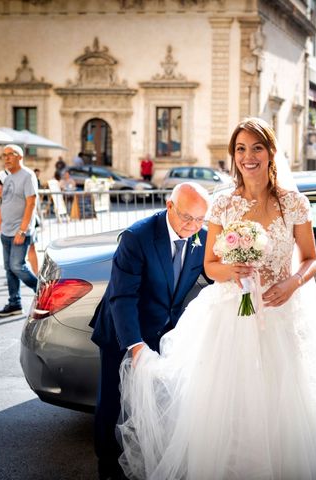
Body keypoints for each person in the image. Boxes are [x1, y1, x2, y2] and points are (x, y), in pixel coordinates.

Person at [116, 118, 316, 479]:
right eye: (240, 149)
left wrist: (293, 283)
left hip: (282, 312)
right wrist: (236, 271)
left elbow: (311, 259)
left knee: (286, 410)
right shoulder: (223, 205)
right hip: (232, 318)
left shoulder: (294, 204)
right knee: (230, 411)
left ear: (271, 152)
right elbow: (211, 266)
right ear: (233, 156)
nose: (248, 156)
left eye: (256, 147)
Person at [89, 182, 211, 480]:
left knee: (153, 403)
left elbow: (210, 275)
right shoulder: (138, 237)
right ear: (169, 206)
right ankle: (107, 467)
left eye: (199, 219)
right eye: (187, 218)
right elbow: (122, 297)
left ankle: (146, 462)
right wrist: (135, 345)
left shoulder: (201, 237)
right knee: (112, 401)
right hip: (122, 329)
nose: (192, 226)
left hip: (162, 332)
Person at [0, 144, 38, 317]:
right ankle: (14, 303)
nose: (7, 157)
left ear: (20, 156)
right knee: (9, 269)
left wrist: (22, 230)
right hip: (6, 231)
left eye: (11, 154)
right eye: (4, 155)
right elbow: (4, 205)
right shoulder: (8, 178)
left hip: (20, 231)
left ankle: (41, 290)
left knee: (17, 266)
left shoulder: (28, 176)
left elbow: (31, 203)